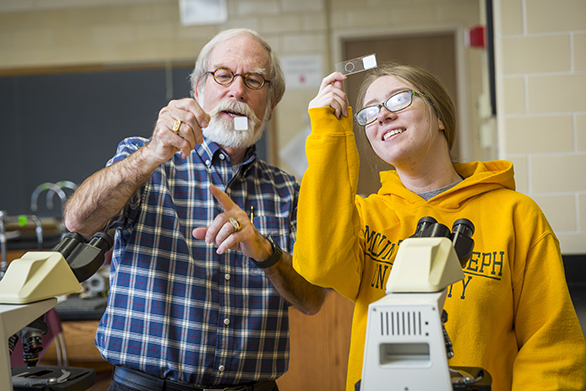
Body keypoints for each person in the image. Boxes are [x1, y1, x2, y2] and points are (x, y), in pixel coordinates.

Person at [292, 63, 586, 391]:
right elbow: (319, 266)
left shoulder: (516, 216)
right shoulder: (365, 217)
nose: (383, 115)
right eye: (369, 112)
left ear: (440, 116)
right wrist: (329, 133)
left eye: (398, 99)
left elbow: (550, 349)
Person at [64, 28, 325, 391]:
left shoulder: (288, 191)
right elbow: (78, 221)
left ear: (271, 103)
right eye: (223, 75)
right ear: (198, 90)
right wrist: (151, 154)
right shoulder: (146, 161)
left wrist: (263, 251)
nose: (237, 91)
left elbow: (312, 300)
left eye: (254, 80)